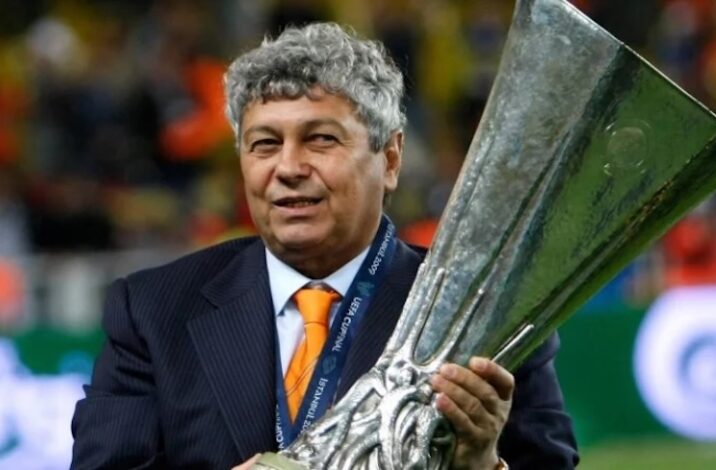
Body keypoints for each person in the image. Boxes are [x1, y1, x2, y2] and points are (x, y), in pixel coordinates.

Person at [71, 23, 578, 469]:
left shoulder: (486, 315)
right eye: (265, 144)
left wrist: (484, 465)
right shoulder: (153, 311)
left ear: (391, 158)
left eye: (321, 140)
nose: (289, 168)